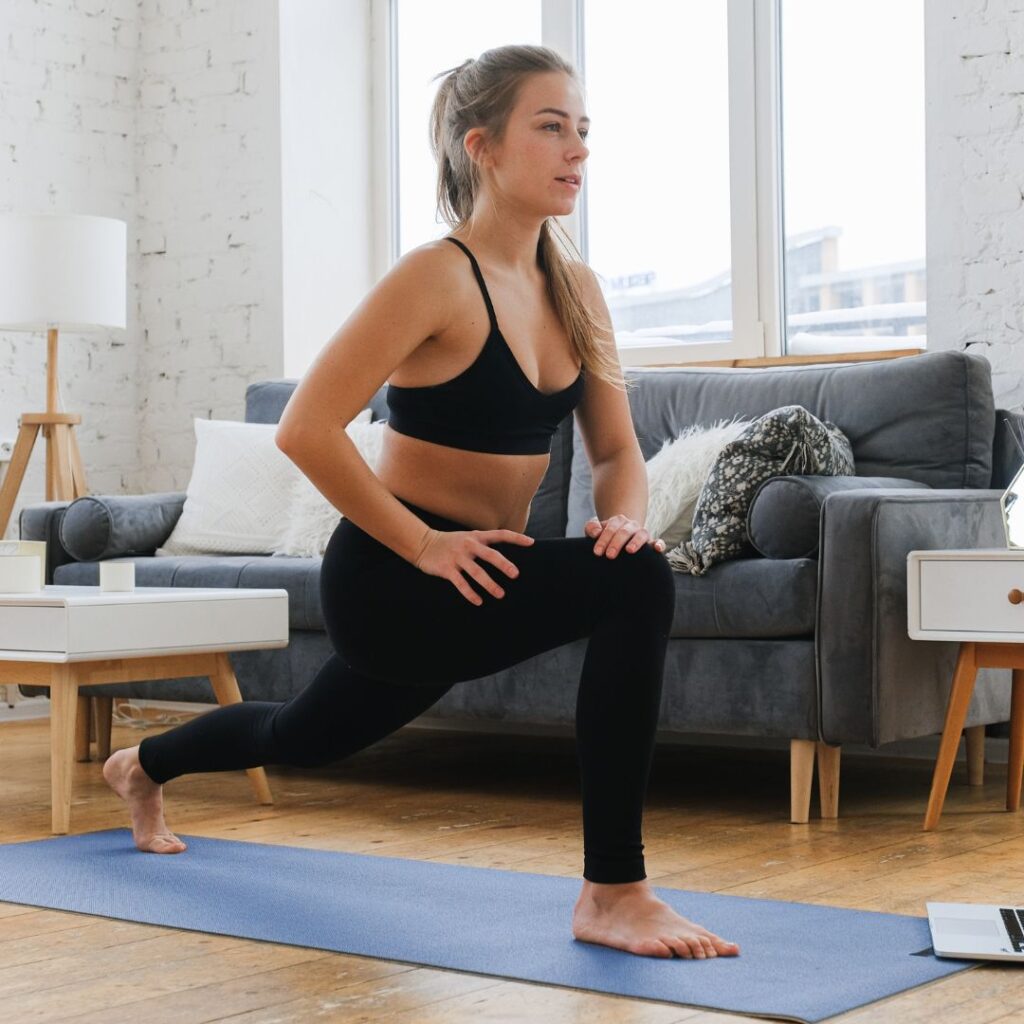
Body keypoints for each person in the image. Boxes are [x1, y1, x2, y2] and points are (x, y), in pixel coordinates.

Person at [103, 43, 740, 961]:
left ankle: (142, 765)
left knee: (303, 735)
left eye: (585, 131)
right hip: (394, 578)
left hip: (476, 577)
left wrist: (625, 514)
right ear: (481, 145)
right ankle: (613, 891)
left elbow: (615, 451)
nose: (577, 151)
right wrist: (423, 546)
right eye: (551, 127)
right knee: (637, 584)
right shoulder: (433, 277)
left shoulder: (578, 290)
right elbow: (306, 428)